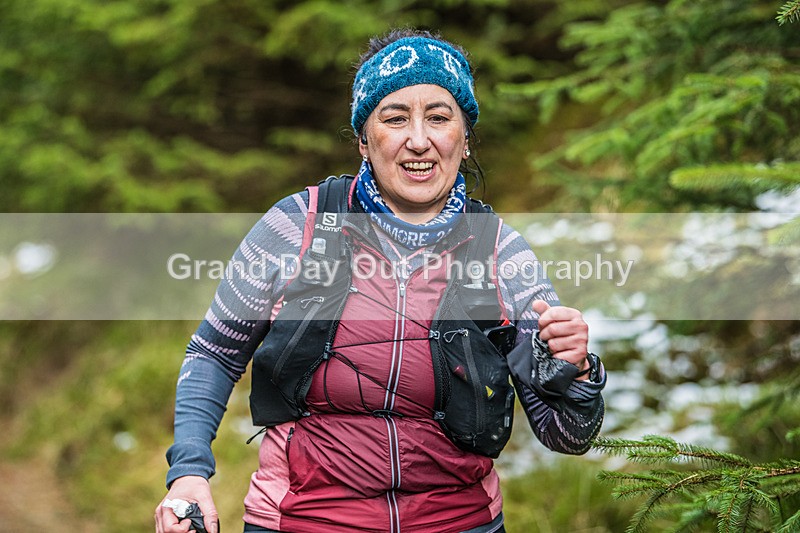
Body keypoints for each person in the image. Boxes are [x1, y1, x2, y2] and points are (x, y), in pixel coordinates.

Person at [155, 28, 606, 533]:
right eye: (395, 119)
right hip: (305, 521)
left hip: (460, 523)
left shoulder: (501, 252)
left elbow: (568, 436)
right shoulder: (298, 226)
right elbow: (214, 354)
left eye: (439, 117)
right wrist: (189, 473)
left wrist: (578, 372)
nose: (419, 140)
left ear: (464, 136)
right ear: (364, 139)